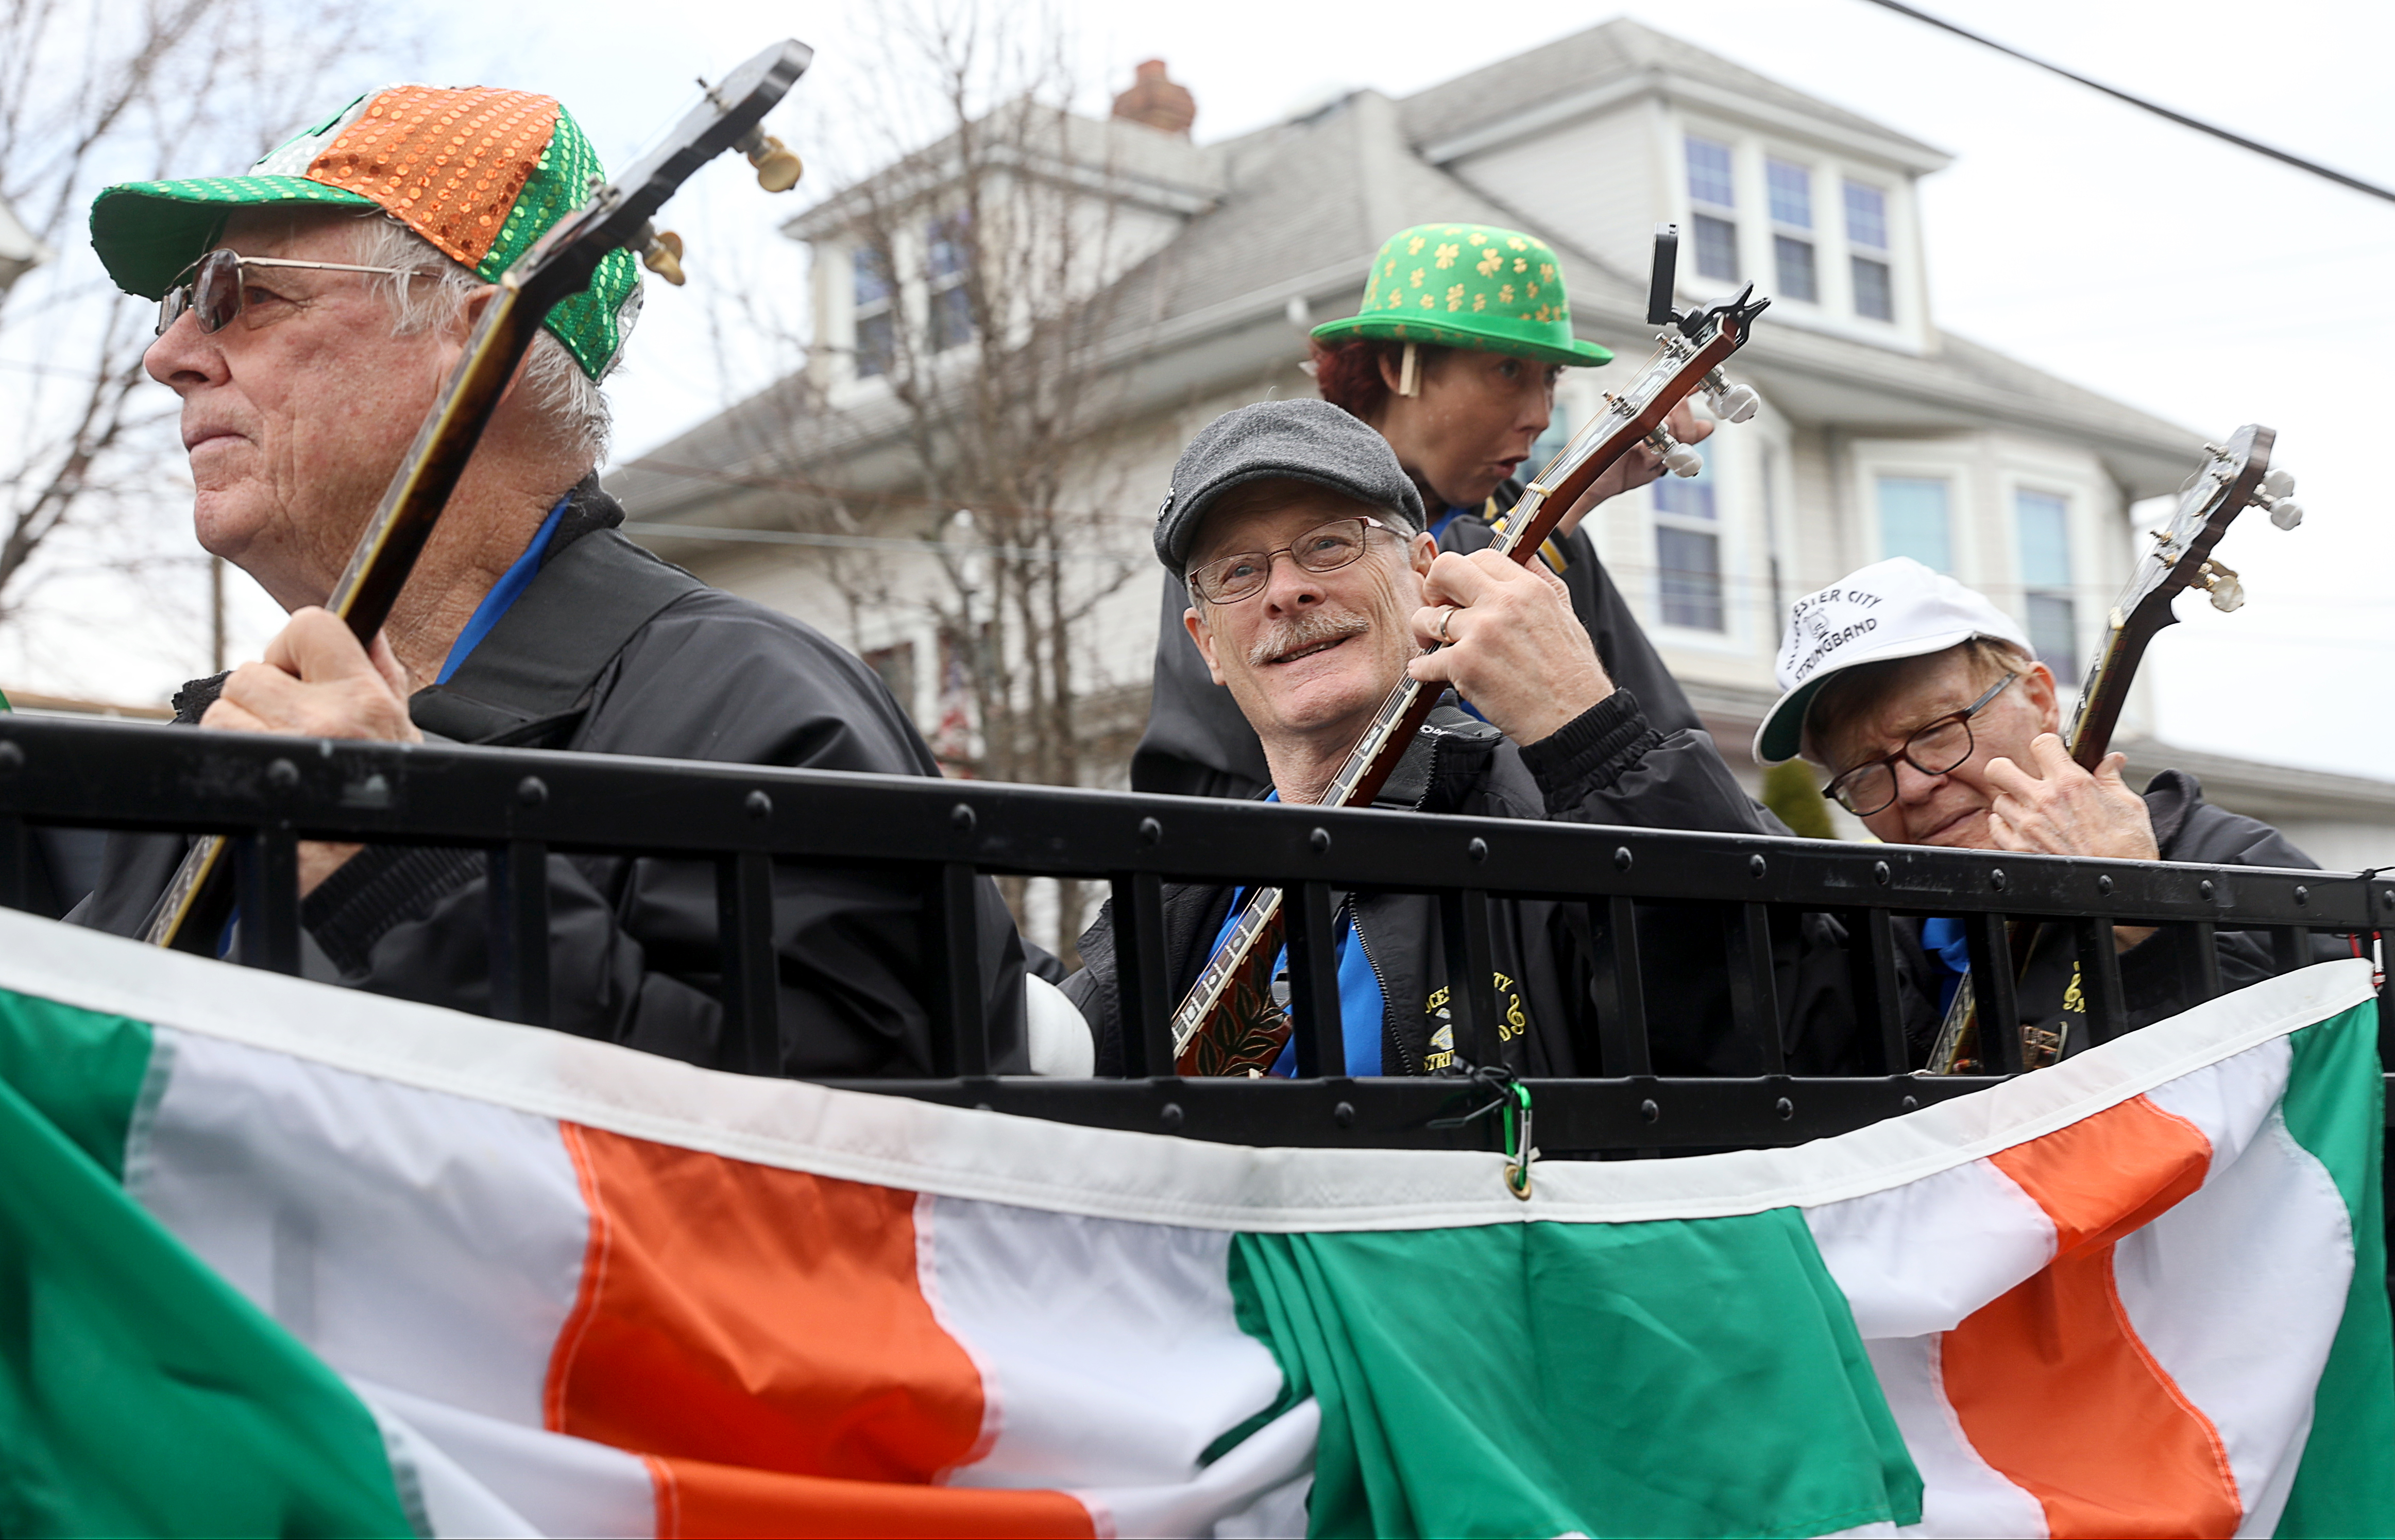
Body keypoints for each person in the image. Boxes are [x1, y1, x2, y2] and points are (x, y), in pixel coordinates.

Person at [70, 83, 1038, 1077]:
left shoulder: (752, 714)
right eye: (184, 304)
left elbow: (863, 1166)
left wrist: (405, 872)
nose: (169, 354)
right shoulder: (235, 742)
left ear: (474, 338)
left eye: (242, 294)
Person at [1068, 399, 1847, 1079]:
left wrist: (1593, 732)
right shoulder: (1175, 909)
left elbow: (1798, 1038)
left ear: (1423, 572)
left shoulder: (1557, 822)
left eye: (1329, 544)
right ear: (1206, 644)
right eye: (1239, 572)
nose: (1286, 591)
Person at [1132, 221, 1711, 799]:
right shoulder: (1233, 510)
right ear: (1399, 367)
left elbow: (1660, 743)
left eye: (1550, 378)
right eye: (1508, 370)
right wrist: (1561, 511)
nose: (1539, 413)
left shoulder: (1535, 518)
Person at [1756, 557, 2332, 1066]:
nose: (1908, 787)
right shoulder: (1867, 942)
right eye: (1861, 772)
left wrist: (2139, 907)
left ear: (2036, 700)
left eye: (1934, 733)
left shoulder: (2230, 860)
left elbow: (2324, 1074)